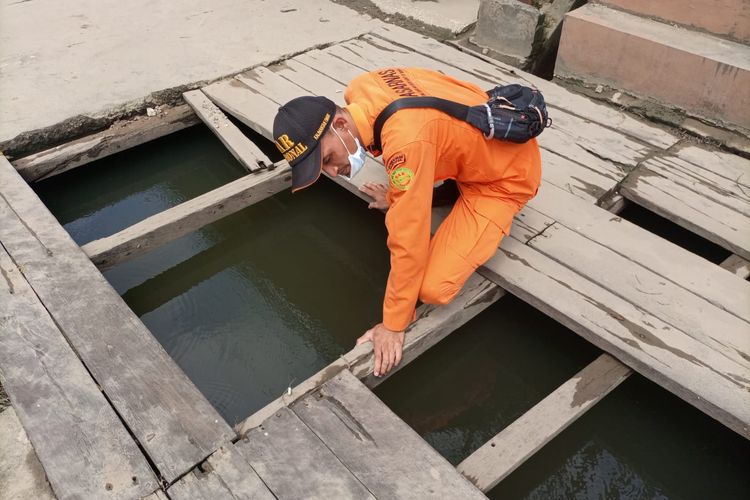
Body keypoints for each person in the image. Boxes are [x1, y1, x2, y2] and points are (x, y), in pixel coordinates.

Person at [273, 67, 541, 378]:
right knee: (411, 178)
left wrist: (393, 324)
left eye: (329, 158)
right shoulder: (361, 88)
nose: (332, 172)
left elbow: (408, 241)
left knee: (433, 288)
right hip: (473, 144)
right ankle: (439, 186)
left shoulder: (406, 142)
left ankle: (467, 192)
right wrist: (403, 192)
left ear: (342, 123)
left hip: (505, 176)